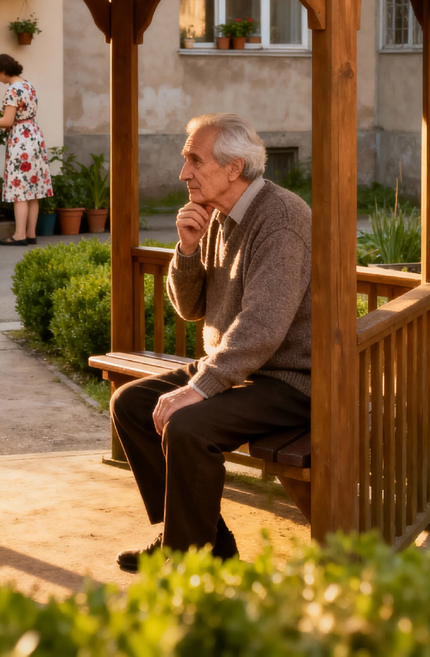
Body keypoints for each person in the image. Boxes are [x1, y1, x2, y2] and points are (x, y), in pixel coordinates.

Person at [111, 113, 312, 571]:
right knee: (132, 404)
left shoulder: (280, 219)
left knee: (187, 425)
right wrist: (185, 250)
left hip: (290, 380)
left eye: (194, 161)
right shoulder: (220, 216)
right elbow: (191, 307)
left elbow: (262, 327)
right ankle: (209, 546)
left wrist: (199, 388)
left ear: (233, 168)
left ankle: (188, 565)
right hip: (242, 370)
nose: (183, 174)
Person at [0, 54, 53, 246]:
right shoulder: (28, 85)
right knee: (33, 190)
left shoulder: (12, 90)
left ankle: (19, 235)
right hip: (35, 137)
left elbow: (8, 120)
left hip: (21, 140)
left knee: (20, 190)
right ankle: (31, 233)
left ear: (3, 71)